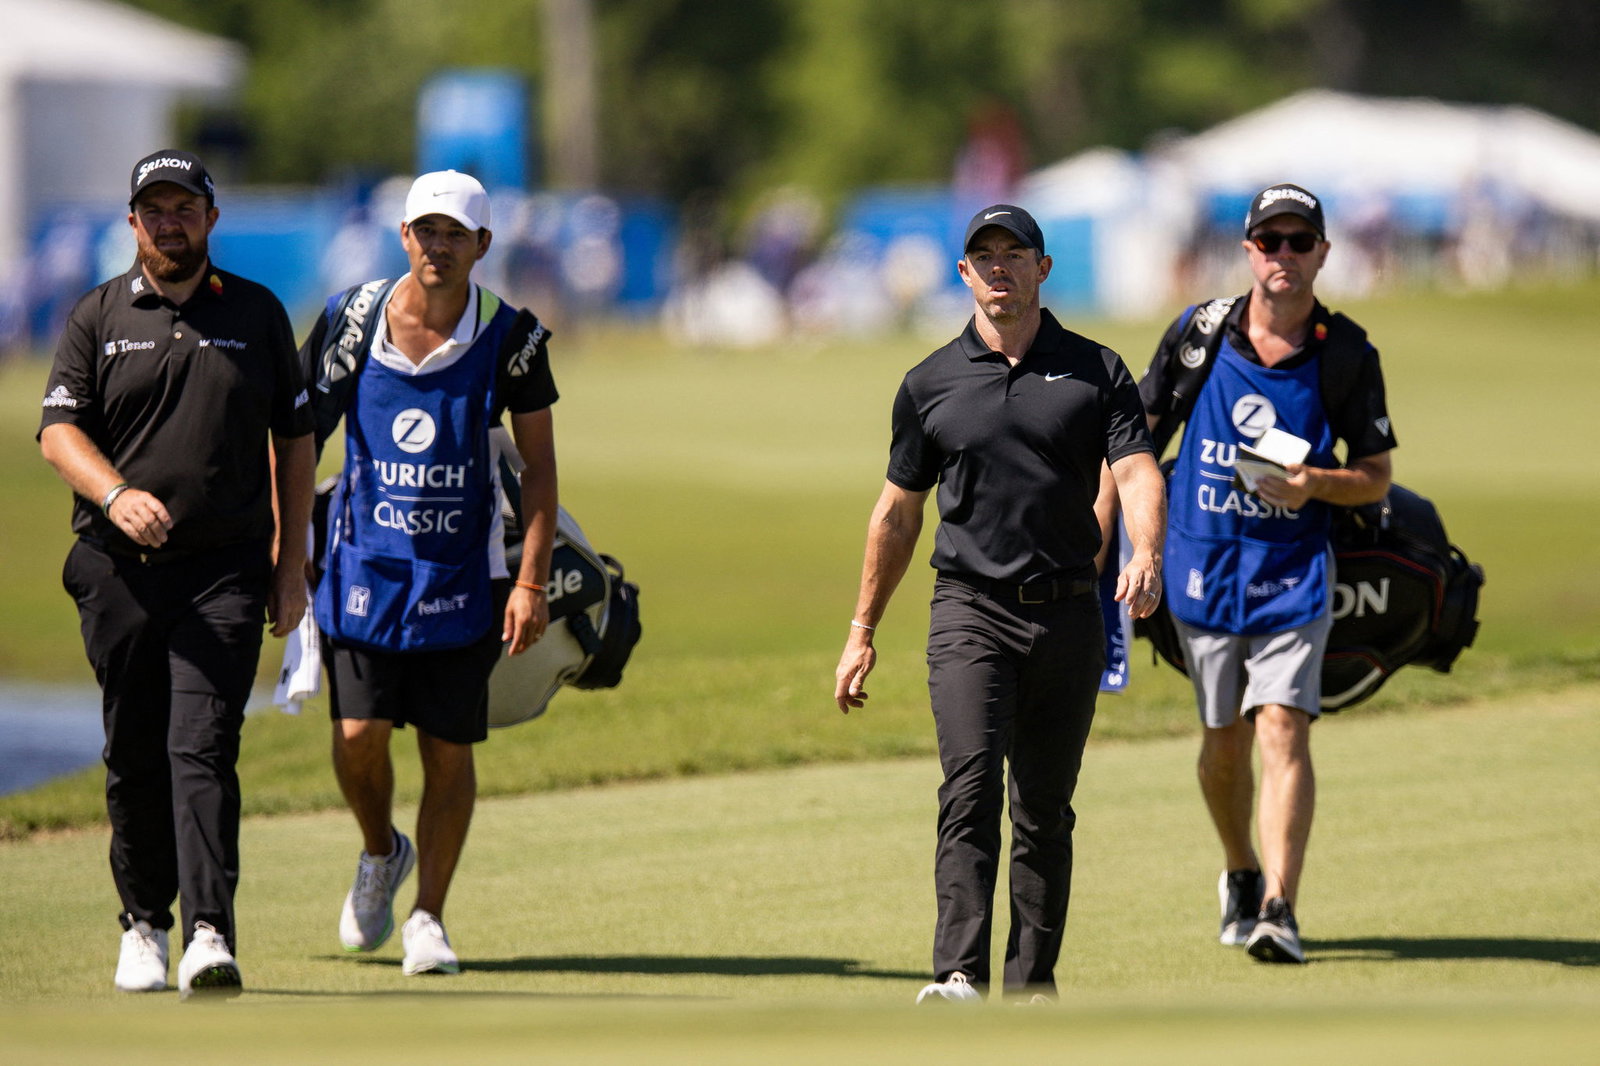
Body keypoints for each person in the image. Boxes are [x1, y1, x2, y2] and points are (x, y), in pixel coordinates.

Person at [833, 204, 1166, 1003]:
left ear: (1043, 269)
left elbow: (1137, 472)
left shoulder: (1097, 370)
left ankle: (1031, 987)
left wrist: (1147, 550)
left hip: (1068, 613)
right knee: (971, 789)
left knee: (1045, 809)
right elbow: (898, 512)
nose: (999, 269)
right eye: (984, 257)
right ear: (963, 275)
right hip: (969, 611)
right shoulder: (928, 384)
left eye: (1014, 254)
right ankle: (958, 975)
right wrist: (861, 629)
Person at [37, 150, 315, 998]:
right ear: (132, 223)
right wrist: (115, 494)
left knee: (202, 746)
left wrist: (291, 562)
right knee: (133, 752)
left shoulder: (259, 314)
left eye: (183, 207)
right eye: (153, 209)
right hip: (118, 570)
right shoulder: (97, 315)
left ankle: (207, 931)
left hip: (224, 570)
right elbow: (58, 433)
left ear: (210, 218)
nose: (169, 222)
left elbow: (295, 441)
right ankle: (143, 923)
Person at [301, 170, 559, 977]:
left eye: (455, 233)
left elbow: (542, 470)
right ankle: (382, 850)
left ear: (482, 245)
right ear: (403, 236)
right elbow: (302, 439)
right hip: (361, 568)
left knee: (448, 749)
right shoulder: (351, 320)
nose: (436, 245)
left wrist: (531, 582)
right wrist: (287, 556)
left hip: (463, 573)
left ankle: (429, 917)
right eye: (424, 230)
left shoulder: (513, 336)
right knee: (356, 737)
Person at [1139, 184, 1397, 963]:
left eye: (1298, 241)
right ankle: (1240, 868)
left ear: (1322, 252)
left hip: (1292, 573)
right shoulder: (1200, 333)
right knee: (1223, 742)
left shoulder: (1347, 352)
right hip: (1201, 567)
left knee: (1282, 726)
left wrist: (1316, 483)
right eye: (1269, 241)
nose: (1283, 255)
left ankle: (1280, 909)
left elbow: (1378, 475)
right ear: (1248, 250)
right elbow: (1137, 444)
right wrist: (1115, 543)